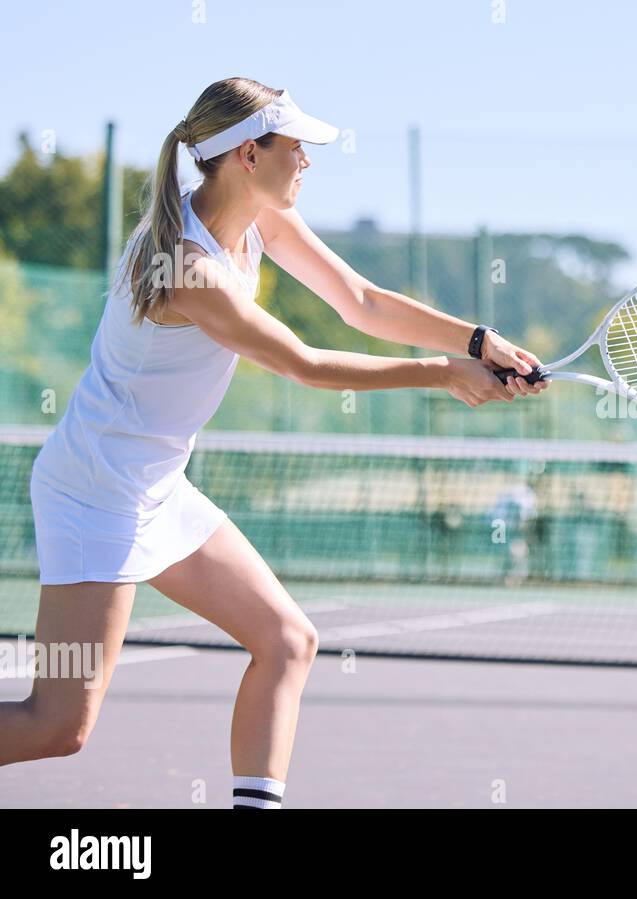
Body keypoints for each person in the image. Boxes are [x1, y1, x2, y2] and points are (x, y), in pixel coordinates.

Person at [0, 78, 548, 808]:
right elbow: (304, 364)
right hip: (94, 493)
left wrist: (477, 340)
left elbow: (361, 303)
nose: (310, 162)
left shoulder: (260, 219)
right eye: (298, 148)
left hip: (156, 486)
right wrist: (444, 374)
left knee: (288, 640)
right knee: (57, 724)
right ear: (249, 155)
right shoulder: (183, 271)